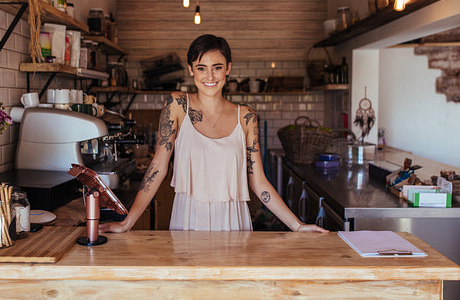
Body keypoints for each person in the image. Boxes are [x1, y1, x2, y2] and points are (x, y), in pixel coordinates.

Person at [99, 34, 327, 233]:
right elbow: (158, 167)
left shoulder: (246, 117)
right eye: (201, 68)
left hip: (233, 221)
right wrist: (127, 222)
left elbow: (258, 182)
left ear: (228, 68)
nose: (210, 76)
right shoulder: (177, 105)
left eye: (217, 67)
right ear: (191, 69)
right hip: (187, 218)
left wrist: (297, 225)